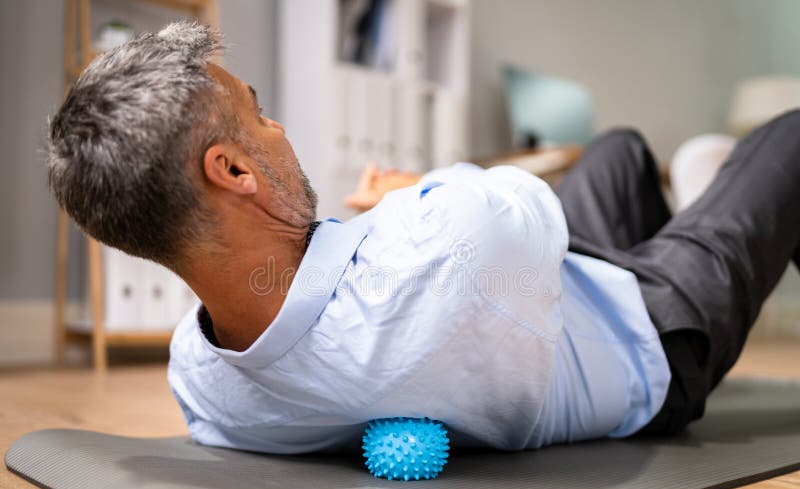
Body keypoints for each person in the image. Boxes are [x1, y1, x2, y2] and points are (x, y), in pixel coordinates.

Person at [48, 23, 800, 453]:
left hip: (542, 293)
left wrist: (394, 215)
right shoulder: (446, 243)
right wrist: (407, 191)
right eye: (259, 112)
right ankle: (712, 261)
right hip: (648, 336)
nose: (278, 129)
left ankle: (687, 221)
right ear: (235, 169)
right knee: (789, 139)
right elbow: (526, 208)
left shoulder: (200, 383)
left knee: (619, 151)